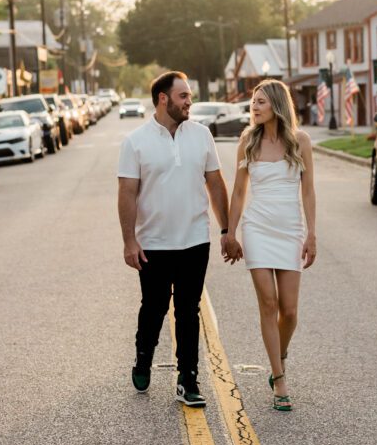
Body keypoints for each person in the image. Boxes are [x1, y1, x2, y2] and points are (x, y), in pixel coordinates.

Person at [117, 71, 236, 408]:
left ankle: (188, 379)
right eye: (183, 96)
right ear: (163, 99)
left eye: (189, 95)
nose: (189, 102)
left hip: (195, 240)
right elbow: (126, 193)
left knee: (187, 311)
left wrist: (226, 230)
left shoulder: (201, 135)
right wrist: (129, 241)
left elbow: (215, 183)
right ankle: (143, 358)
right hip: (153, 242)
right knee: (153, 309)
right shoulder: (135, 141)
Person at [223, 79, 317, 412]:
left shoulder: (300, 141)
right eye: (253, 101)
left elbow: (308, 191)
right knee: (269, 303)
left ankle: (281, 352)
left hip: (290, 229)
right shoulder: (248, 141)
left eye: (260, 101)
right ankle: (279, 380)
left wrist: (312, 233)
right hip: (258, 228)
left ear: (276, 104)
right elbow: (238, 191)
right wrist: (230, 232)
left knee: (290, 311)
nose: (254, 106)